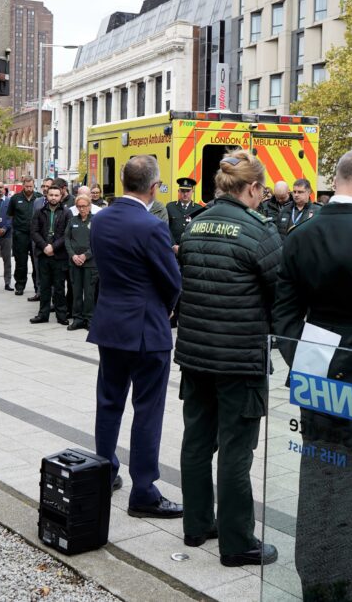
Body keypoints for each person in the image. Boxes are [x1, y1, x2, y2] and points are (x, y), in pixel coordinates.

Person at [273, 149, 352, 599]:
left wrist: (308, 360)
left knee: (319, 476)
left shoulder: (300, 233)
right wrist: (342, 363)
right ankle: (345, 585)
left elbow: (284, 314)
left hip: (315, 373)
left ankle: (315, 578)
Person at [175, 150, 282, 567]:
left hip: (196, 355)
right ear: (253, 188)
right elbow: (280, 293)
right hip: (239, 359)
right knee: (237, 450)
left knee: (197, 442)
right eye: (261, 191)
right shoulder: (258, 231)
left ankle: (197, 524)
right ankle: (238, 543)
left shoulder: (195, 224)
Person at [88, 154, 183, 519]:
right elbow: (171, 278)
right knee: (147, 410)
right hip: (146, 328)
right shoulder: (151, 225)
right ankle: (143, 490)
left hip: (111, 324)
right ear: (154, 187)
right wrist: (168, 306)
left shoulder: (101, 219)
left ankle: (104, 470)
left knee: (109, 402)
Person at [30, 184, 70, 324]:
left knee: (59, 287)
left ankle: (61, 316)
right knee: (45, 286)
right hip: (43, 254)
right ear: (47, 195)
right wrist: (44, 246)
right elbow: (34, 232)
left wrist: (53, 247)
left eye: (56, 195)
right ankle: (43, 315)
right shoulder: (39, 212)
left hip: (59, 256)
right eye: (51, 195)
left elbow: (67, 234)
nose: (53, 198)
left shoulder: (66, 213)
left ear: (61, 196)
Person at [64, 194, 97, 331]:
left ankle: (89, 318)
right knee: (76, 292)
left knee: (89, 293)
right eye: (79, 206)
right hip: (75, 263)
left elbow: (98, 241)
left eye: (84, 206)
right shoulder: (72, 221)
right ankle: (77, 318)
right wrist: (73, 255)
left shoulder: (96, 221)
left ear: (89, 206)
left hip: (90, 264)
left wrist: (85, 255)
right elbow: (67, 240)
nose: (82, 209)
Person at [7, 176, 40, 297]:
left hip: (35, 235)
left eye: (31, 186)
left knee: (36, 262)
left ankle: (38, 287)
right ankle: (20, 286)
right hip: (20, 235)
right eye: (26, 186)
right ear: (23, 185)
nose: (29, 189)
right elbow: (10, 215)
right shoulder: (15, 198)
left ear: (34, 185)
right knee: (20, 262)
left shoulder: (39, 197)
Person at [166, 177, 205, 254]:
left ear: (192, 191)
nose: (185, 194)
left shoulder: (199, 209)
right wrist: (173, 245)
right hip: (173, 250)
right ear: (178, 191)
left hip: (191, 249)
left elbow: (200, 231)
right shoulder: (170, 207)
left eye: (188, 191)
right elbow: (166, 228)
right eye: (183, 191)